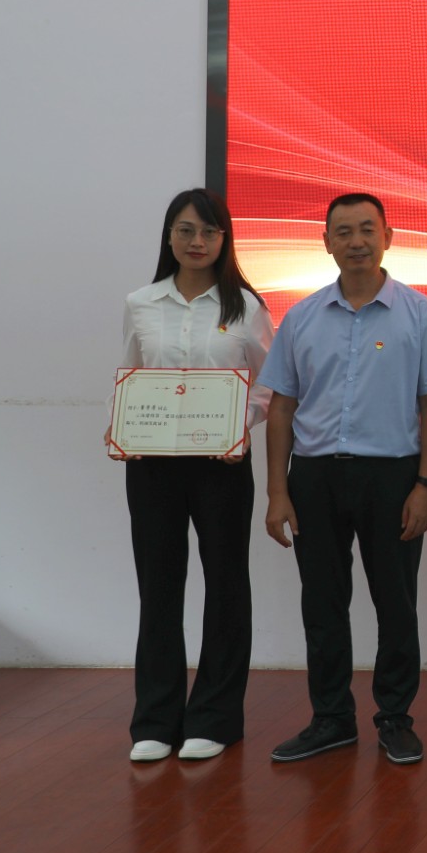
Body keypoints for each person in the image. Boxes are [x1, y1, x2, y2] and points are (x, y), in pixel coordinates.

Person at [259, 193, 427, 766]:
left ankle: (395, 717)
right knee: (322, 603)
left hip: (393, 477)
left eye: (367, 229)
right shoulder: (301, 317)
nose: (356, 242)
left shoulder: (420, 314)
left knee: (396, 603)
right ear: (326, 242)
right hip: (314, 477)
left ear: (388, 237)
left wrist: (426, 486)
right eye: (343, 231)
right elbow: (281, 408)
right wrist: (277, 491)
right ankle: (331, 719)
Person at [111, 188, 274, 763]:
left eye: (208, 231)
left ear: (224, 239)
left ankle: (215, 717)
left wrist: (239, 426)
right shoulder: (140, 303)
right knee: (158, 586)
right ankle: (155, 721)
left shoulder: (246, 308)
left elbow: (269, 386)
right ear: (169, 237)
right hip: (152, 466)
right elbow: (130, 373)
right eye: (185, 230)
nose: (196, 241)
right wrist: (122, 428)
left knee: (226, 585)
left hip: (220, 466)